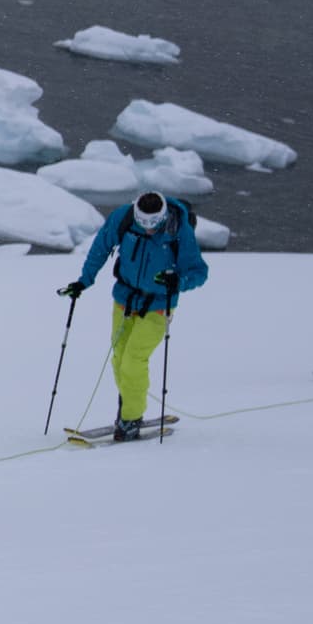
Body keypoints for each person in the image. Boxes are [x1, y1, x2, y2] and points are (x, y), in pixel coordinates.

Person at [60, 187, 206, 439]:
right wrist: (84, 281)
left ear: (162, 217)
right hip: (124, 300)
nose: (148, 228)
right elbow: (100, 249)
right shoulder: (124, 218)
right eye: (143, 222)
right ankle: (128, 410)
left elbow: (198, 271)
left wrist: (177, 281)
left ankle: (130, 419)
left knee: (133, 361)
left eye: (153, 223)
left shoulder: (177, 228)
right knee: (118, 359)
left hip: (158, 305)